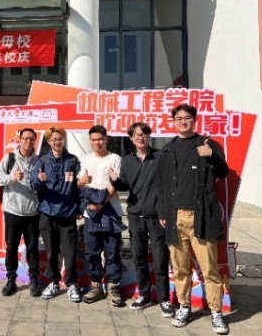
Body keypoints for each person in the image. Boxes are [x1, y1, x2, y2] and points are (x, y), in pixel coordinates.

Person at [157, 104, 229, 335]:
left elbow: (223, 171)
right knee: (180, 268)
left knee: (210, 269)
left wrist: (212, 156)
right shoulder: (167, 150)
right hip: (175, 217)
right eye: (178, 118)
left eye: (187, 117)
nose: (183, 121)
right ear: (173, 122)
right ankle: (184, 306)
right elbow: (161, 185)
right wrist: (162, 213)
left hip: (201, 216)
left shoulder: (207, 144)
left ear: (194, 120)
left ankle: (216, 312)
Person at [109, 122, 174, 317]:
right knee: (139, 259)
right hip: (136, 216)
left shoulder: (160, 156)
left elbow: (166, 185)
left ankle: (163, 300)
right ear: (131, 138)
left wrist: (164, 212)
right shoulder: (127, 160)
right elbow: (124, 186)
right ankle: (144, 295)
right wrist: (115, 180)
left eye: (144, 134)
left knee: (160, 260)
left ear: (149, 136)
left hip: (156, 218)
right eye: (137, 135)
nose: (141, 138)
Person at [30, 126, 82, 303]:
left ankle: (71, 284)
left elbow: (79, 187)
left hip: (68, 213)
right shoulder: (42, 161)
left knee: (70, 252)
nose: (57, 142)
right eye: (54, 139)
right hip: (47, 213)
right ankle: (53, 282)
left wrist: (80, 208)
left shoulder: (73, 161)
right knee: (51, 251)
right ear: (49, 141)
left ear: (64, 139)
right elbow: (33, 185)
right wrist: (39, 180)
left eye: (60, 138)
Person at [77, 125, 125, 307]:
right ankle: (96, 286)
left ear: (106, 139)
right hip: (91, 214)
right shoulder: (85, 159)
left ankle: (113, 288)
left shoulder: (115, 158)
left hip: (110, 211)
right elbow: (80, 184)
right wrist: (81, 182)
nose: (97, 142)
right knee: (92, 252)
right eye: (94, 140)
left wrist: (100, 204)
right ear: (90, 141)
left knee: (112, 251)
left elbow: (114, 186)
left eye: (100, 139)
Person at [0, 128, 41, 298]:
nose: (28, 142)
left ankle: (34, 280)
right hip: (12, 211)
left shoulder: (39, 161)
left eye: (31, 139)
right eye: (25, 138)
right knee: (11, 247)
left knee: (33, 248)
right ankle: (11, 280)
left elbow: (44, 184)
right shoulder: (9, 158)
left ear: (35, 141)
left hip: (32, 212)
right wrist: (12, 177)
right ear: (19, 140)